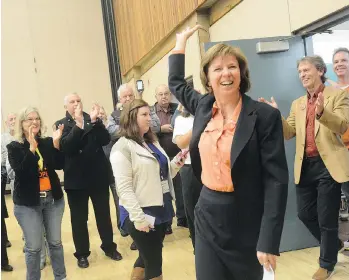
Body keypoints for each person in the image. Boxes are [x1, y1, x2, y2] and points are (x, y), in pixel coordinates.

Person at [168, 25, 288, 280]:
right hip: (207, 213)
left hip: (246, 217)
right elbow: (176, 83)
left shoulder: (264, 116)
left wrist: (269, 240)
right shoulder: (202, 106)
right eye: (218, 68)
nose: (226, 73)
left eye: (232, 66)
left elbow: (276, 180)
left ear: (241, 73)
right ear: (208, 77)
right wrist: (180, 43)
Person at [260, 55, 349, 280]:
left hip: (329, 165)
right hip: (305, 166)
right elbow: (288, 133)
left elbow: (342, 125)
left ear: (320, 71)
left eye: (307, 70)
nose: (303, 75)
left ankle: (326, 263)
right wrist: (274, 116)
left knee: (326, 217)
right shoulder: (298, 104)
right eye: (300, 72)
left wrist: (321, 112)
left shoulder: (338, 95)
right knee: (305, 213)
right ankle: (335, 244)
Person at [110, 99, 187, 280]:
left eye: (149, 114)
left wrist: (175, 164)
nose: (149, 118)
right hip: (140, 212)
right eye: (144, 115)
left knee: (145, 258)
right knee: (154, 263)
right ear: (131, 118)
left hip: (160, 208)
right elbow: (124, 189)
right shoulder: (121, 147)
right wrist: (138, 217)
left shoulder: (150, 141)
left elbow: (160, 173)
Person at [57, 93, 122, 269]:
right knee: (79, 220)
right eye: (72, 101)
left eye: (79, 100)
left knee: (103, 215)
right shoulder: (61, 124)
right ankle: (82, 254)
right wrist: (79, 125)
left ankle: (109, 247)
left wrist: (95, 122)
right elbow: (68, 147)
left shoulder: (91, 118)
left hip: (98, 176)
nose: (76, 104)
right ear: (66, 107)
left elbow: (105, 139)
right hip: (76, 181)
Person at [7, 106, 67, 280]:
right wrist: (32, 150)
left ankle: (61, 277)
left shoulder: (47, 142)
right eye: (29, 119)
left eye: (37, 118)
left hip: (53, 200)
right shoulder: (15, 147)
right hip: (27, 204)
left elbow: (59, 164)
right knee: (33, 248)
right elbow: (21, 173)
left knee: (55, 243)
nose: (34, 122)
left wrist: (56, 144)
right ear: (22, 123)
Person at [150, 85, 187, 234]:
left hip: (178, 155)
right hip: (160, 157)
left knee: (180, 188)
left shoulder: (178, 109)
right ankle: (166, 223)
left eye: (166, 93)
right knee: (164, 190)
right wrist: (160, 129)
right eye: (160, 94)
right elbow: (148, 130)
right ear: (156, 97)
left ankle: (182, 218)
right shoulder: (151, 112)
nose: (164, 96)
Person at [106, 84, 138, 249]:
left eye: (130, 95)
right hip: (123, 162)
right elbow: (111, 131)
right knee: (125, 197)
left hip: (140, 163)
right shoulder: (113, 115)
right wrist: (134, 128)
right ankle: (127, 227)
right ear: (119, 99)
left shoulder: (142, 109)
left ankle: (140, 232)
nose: (128, 99)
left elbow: (153, 125)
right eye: (124, 96)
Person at [172, 105, 202, 249]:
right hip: (190, 167)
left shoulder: (212, 115)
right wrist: (199, 124)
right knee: (192, 209)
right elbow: (181, 142)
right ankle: (198, 247)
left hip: (211, 167)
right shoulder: (180, 119)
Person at [330, 47, 349, 222]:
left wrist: (341, 92)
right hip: (336, 152)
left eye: (343, 60)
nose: (339, 64)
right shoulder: (328, 91)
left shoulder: (339, 91)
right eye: (336, 61)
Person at [1, 113, 16, 253]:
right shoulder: (2, 138)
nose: (13, 121)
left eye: (15, 119)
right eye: (10, 119)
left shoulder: (21, 136)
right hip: (7, 175)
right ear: (6, 123)